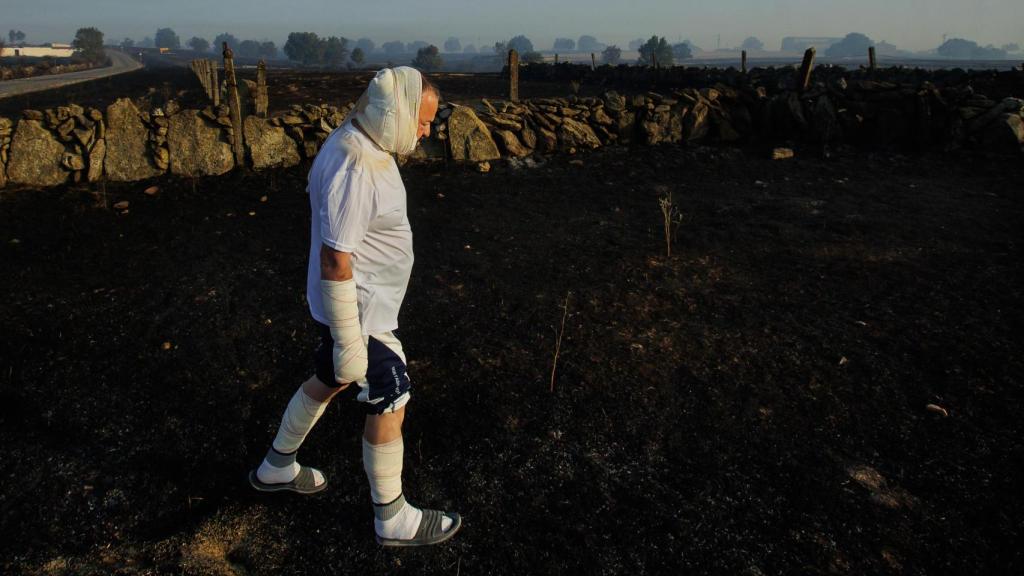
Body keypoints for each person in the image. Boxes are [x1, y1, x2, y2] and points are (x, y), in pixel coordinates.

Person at [248, 67, 460, 548]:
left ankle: (276, 467)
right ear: (395, 112)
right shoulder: (356, 163)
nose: (427, 131)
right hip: (360, 314)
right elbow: (335, 256)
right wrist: (348, 338)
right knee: (391, 394)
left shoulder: (361, 141)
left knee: (330, 377)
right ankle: (393, 518)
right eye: (422, 121)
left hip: (362, 306)